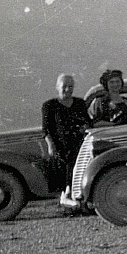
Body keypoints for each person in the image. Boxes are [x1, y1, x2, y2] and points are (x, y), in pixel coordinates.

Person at [41, 74, 91, 203]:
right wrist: (51, 145)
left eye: (71, 86)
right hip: (60, 145)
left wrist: (84, 126)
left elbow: (88, 122)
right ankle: (66, 198)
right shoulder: (49, 105)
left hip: (78, 144)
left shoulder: (80, 103)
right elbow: (46, 129)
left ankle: (76, 198)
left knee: (77, 169)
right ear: (57, 87)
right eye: (64, 87)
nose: (68, 89)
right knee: (63, 171)